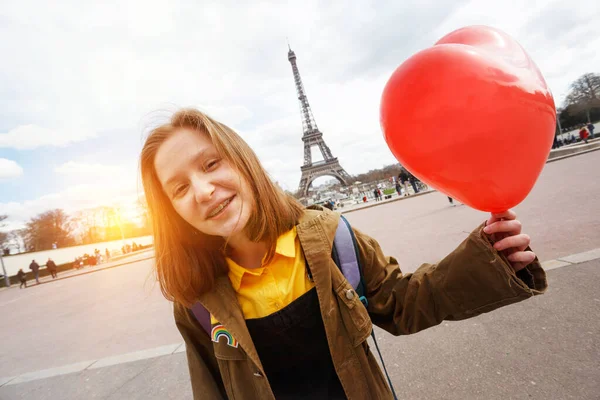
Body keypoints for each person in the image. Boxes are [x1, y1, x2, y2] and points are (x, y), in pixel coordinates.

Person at [140, 108, 546, 400]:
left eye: (211, 163)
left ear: (244, 163)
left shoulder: (333, 239)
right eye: (178, 188)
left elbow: (404, 303)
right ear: (171, 212)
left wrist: (489, 258)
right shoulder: (194, 301)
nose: (203, 189)